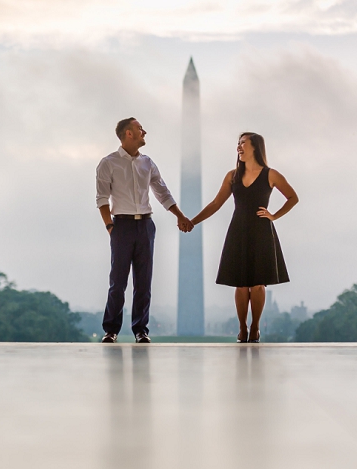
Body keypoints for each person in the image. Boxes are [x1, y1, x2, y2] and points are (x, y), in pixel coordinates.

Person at [187, 132, 299, 343]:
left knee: (258, 284)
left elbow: (293, 197)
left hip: (261, 233)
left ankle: (255, 326)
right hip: (238, 231)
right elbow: (215, 204)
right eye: (237, 143)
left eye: (243, 143)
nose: (238, 147)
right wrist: (193, 221)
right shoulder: (232, 176)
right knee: (240, 284)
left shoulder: (271, 174)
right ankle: (242, 328)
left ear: (255, 147)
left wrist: (273, 215)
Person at [96, 118, 191, 343]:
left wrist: (180, 216)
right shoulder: (108, 163)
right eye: (140, 128)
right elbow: (101, 198)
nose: (144, 131)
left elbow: (162, 193)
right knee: (117, 281)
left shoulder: (148, 163)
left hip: (145, 225)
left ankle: (141, 330)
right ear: (128, 133)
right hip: (121, 225)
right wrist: (110, 226)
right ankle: (111, 330)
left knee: (144, 281)